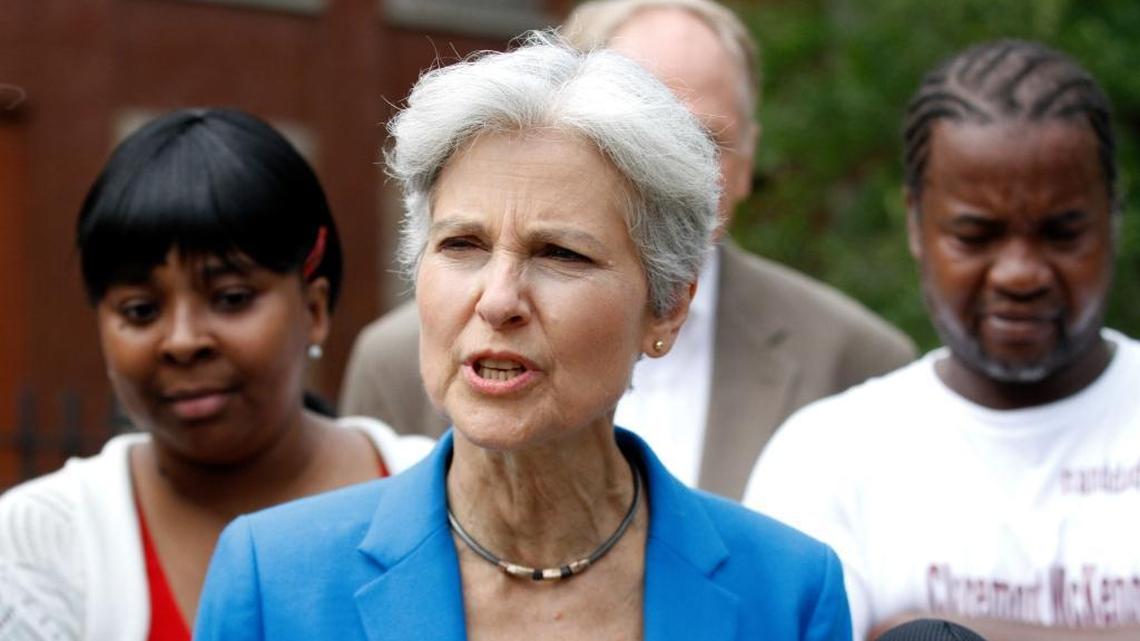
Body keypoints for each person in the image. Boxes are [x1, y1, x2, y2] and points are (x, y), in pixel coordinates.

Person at [194, 34, 852, 641]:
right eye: (462, 244)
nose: (499, 298)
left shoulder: (787, 591)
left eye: (561, 253)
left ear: (668, 308)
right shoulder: (273, 581)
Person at [339, 0, 916, 500]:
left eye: (702, 140)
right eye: (636, 136)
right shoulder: (397, 357)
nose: (674, 172)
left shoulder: (856, 359)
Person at [744, 40, 1140, 641]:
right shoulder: (827, 457)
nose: (1020, 273)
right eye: (976, 234)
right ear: (915, 222)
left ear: (1112, 218)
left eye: (1061, 232)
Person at [0, 108, 433, 641]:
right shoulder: (36, 542)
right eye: (140, 310)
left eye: (231, 298)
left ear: (314, 310)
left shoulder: (438, 496)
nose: (183, 341)